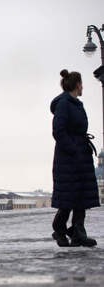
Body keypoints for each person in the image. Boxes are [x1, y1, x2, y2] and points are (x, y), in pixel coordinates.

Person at [50, 69, 99, 247]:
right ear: (77, 84)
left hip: (80, 156)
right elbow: (58, 131)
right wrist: (73, 150)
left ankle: (78, 232)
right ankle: (59, 228)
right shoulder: (64, 103)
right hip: (68, 158)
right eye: (82, 83)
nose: (83, 86)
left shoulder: (76, 103)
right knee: (68, 196)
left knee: (81, 196)